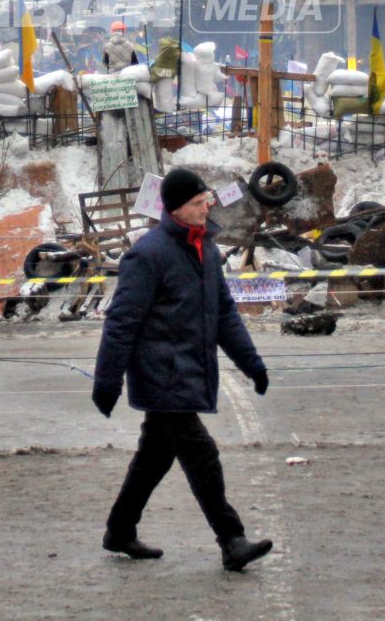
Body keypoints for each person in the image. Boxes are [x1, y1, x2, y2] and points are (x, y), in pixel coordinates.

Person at [92, 168, 271, 571]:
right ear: (175, 209)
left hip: (190, 368)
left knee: (153, 458)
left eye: (206, 199)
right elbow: (121, 322)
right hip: (163, 374)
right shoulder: (148, 255)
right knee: (201, 454)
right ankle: (232, 540)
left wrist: (252, 364)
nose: (207, 206)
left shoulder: (206, 248)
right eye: (197, 202)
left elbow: (224, 314)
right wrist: (107, 382)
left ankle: (119, 531)